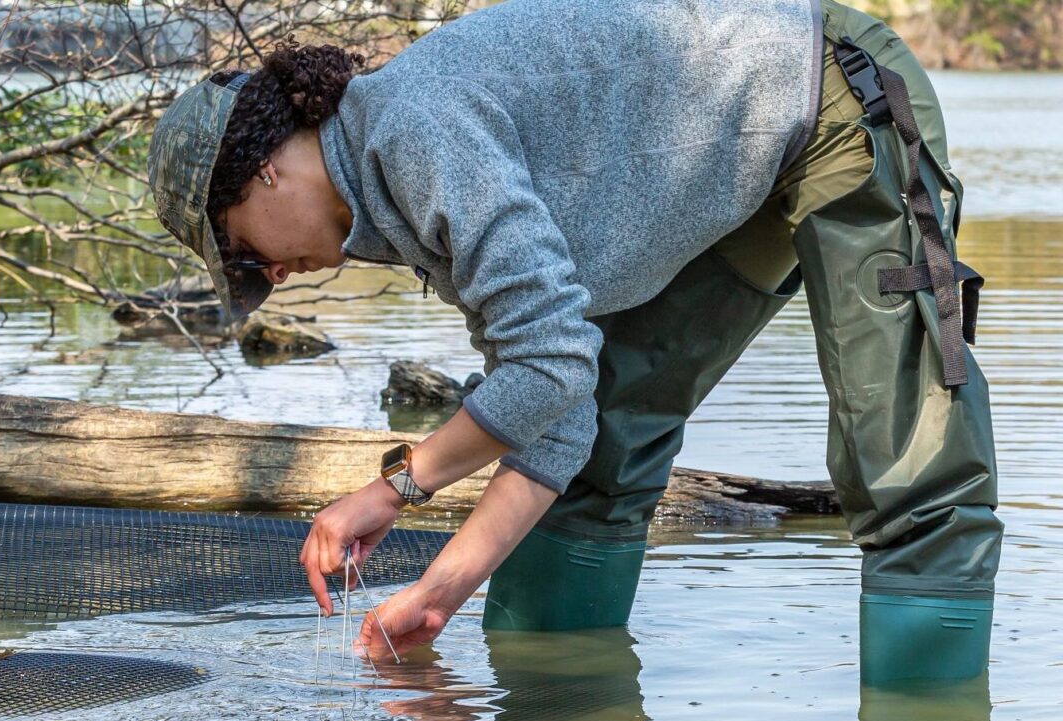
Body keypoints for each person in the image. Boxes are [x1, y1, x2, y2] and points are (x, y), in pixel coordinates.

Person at [146, 0, 1002, 684]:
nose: (270, 275)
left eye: (240, 248)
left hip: (830, 100)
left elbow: (548, 362)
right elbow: (560, 408)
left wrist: (397, 488)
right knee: (601, 462)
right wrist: (440, 593)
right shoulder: (397, 209)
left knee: (907, 465)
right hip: (727, 168)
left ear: (263, 168)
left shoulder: (413, 129)